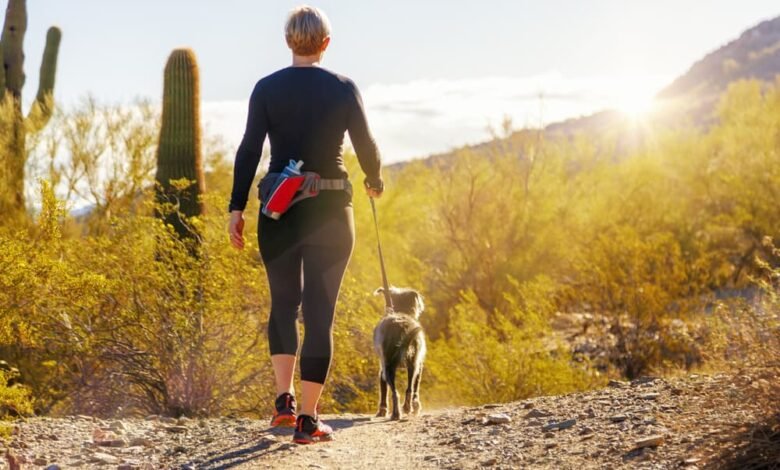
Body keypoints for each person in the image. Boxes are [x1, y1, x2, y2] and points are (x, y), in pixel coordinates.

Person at [227, 5, 384, 444]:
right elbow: (366, 145)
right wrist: (374, 181)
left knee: (282, 305)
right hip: (332, 210)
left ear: (288, 41)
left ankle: (283, 404)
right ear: (326, 44)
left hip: (277, 210)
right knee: (319, 315)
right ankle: (309, 422)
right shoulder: (343, 88)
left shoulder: (266, 88)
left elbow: (248, 151)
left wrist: (235, 208)